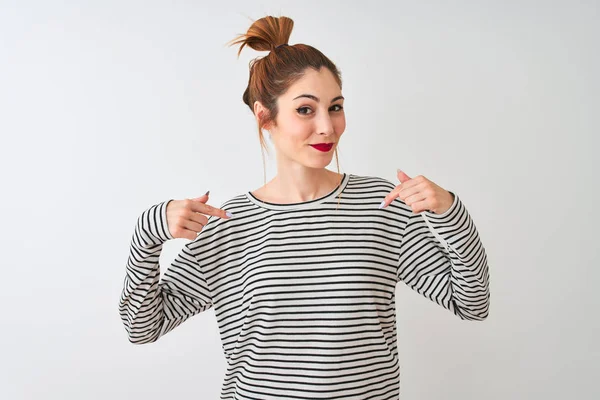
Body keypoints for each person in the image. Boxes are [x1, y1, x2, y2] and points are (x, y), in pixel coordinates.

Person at [118, 15, 490, 400]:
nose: (328, 127)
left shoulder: (382, 206)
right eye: (305, 110)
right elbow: (143, 328)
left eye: (336, 107)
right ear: (265, 116)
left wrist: (449, 213)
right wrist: (149, 233)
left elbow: (472, 303)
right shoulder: (229, 226)